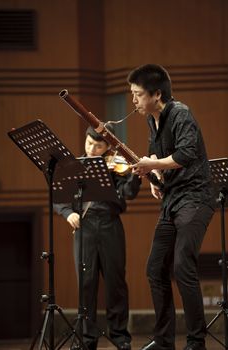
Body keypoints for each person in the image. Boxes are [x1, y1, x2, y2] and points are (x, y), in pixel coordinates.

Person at [127, 64, 215, 350]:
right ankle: (164, 342)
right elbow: (160, 153)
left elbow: (187, 153)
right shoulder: (151, 120)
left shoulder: (180, 113)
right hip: (173, 199)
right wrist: (156, 177)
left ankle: (195, 342)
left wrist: (151, 164)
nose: (134, 100)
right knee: (155, 268)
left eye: (138, 94)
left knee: (182, 265)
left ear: (156, 93)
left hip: (196, 197)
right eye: (132, 94)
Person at [54, 124, 141, 350]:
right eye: (89, 143)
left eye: (98, 145)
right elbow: (59, 196)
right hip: (85, 226)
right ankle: (86, 339)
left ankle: (120, 337)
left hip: (111, 224)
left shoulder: (116, 166)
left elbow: (129, 194)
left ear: (108, 147)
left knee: (116, 283)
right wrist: (68, 212)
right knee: (86, 283)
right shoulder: (75, 166)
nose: (92, 149)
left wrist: (135, 174)